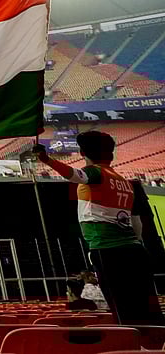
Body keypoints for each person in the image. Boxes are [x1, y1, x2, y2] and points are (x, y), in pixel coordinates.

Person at [30, 136, 162, 325]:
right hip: (134, 250)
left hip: (108, 249)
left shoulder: (95, 172)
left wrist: (46, 160)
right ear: (111, 154)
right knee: (146, 304)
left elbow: (76, 176)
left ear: (83, 153)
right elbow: (136, 222)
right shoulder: (124, 182)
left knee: (121, 307)